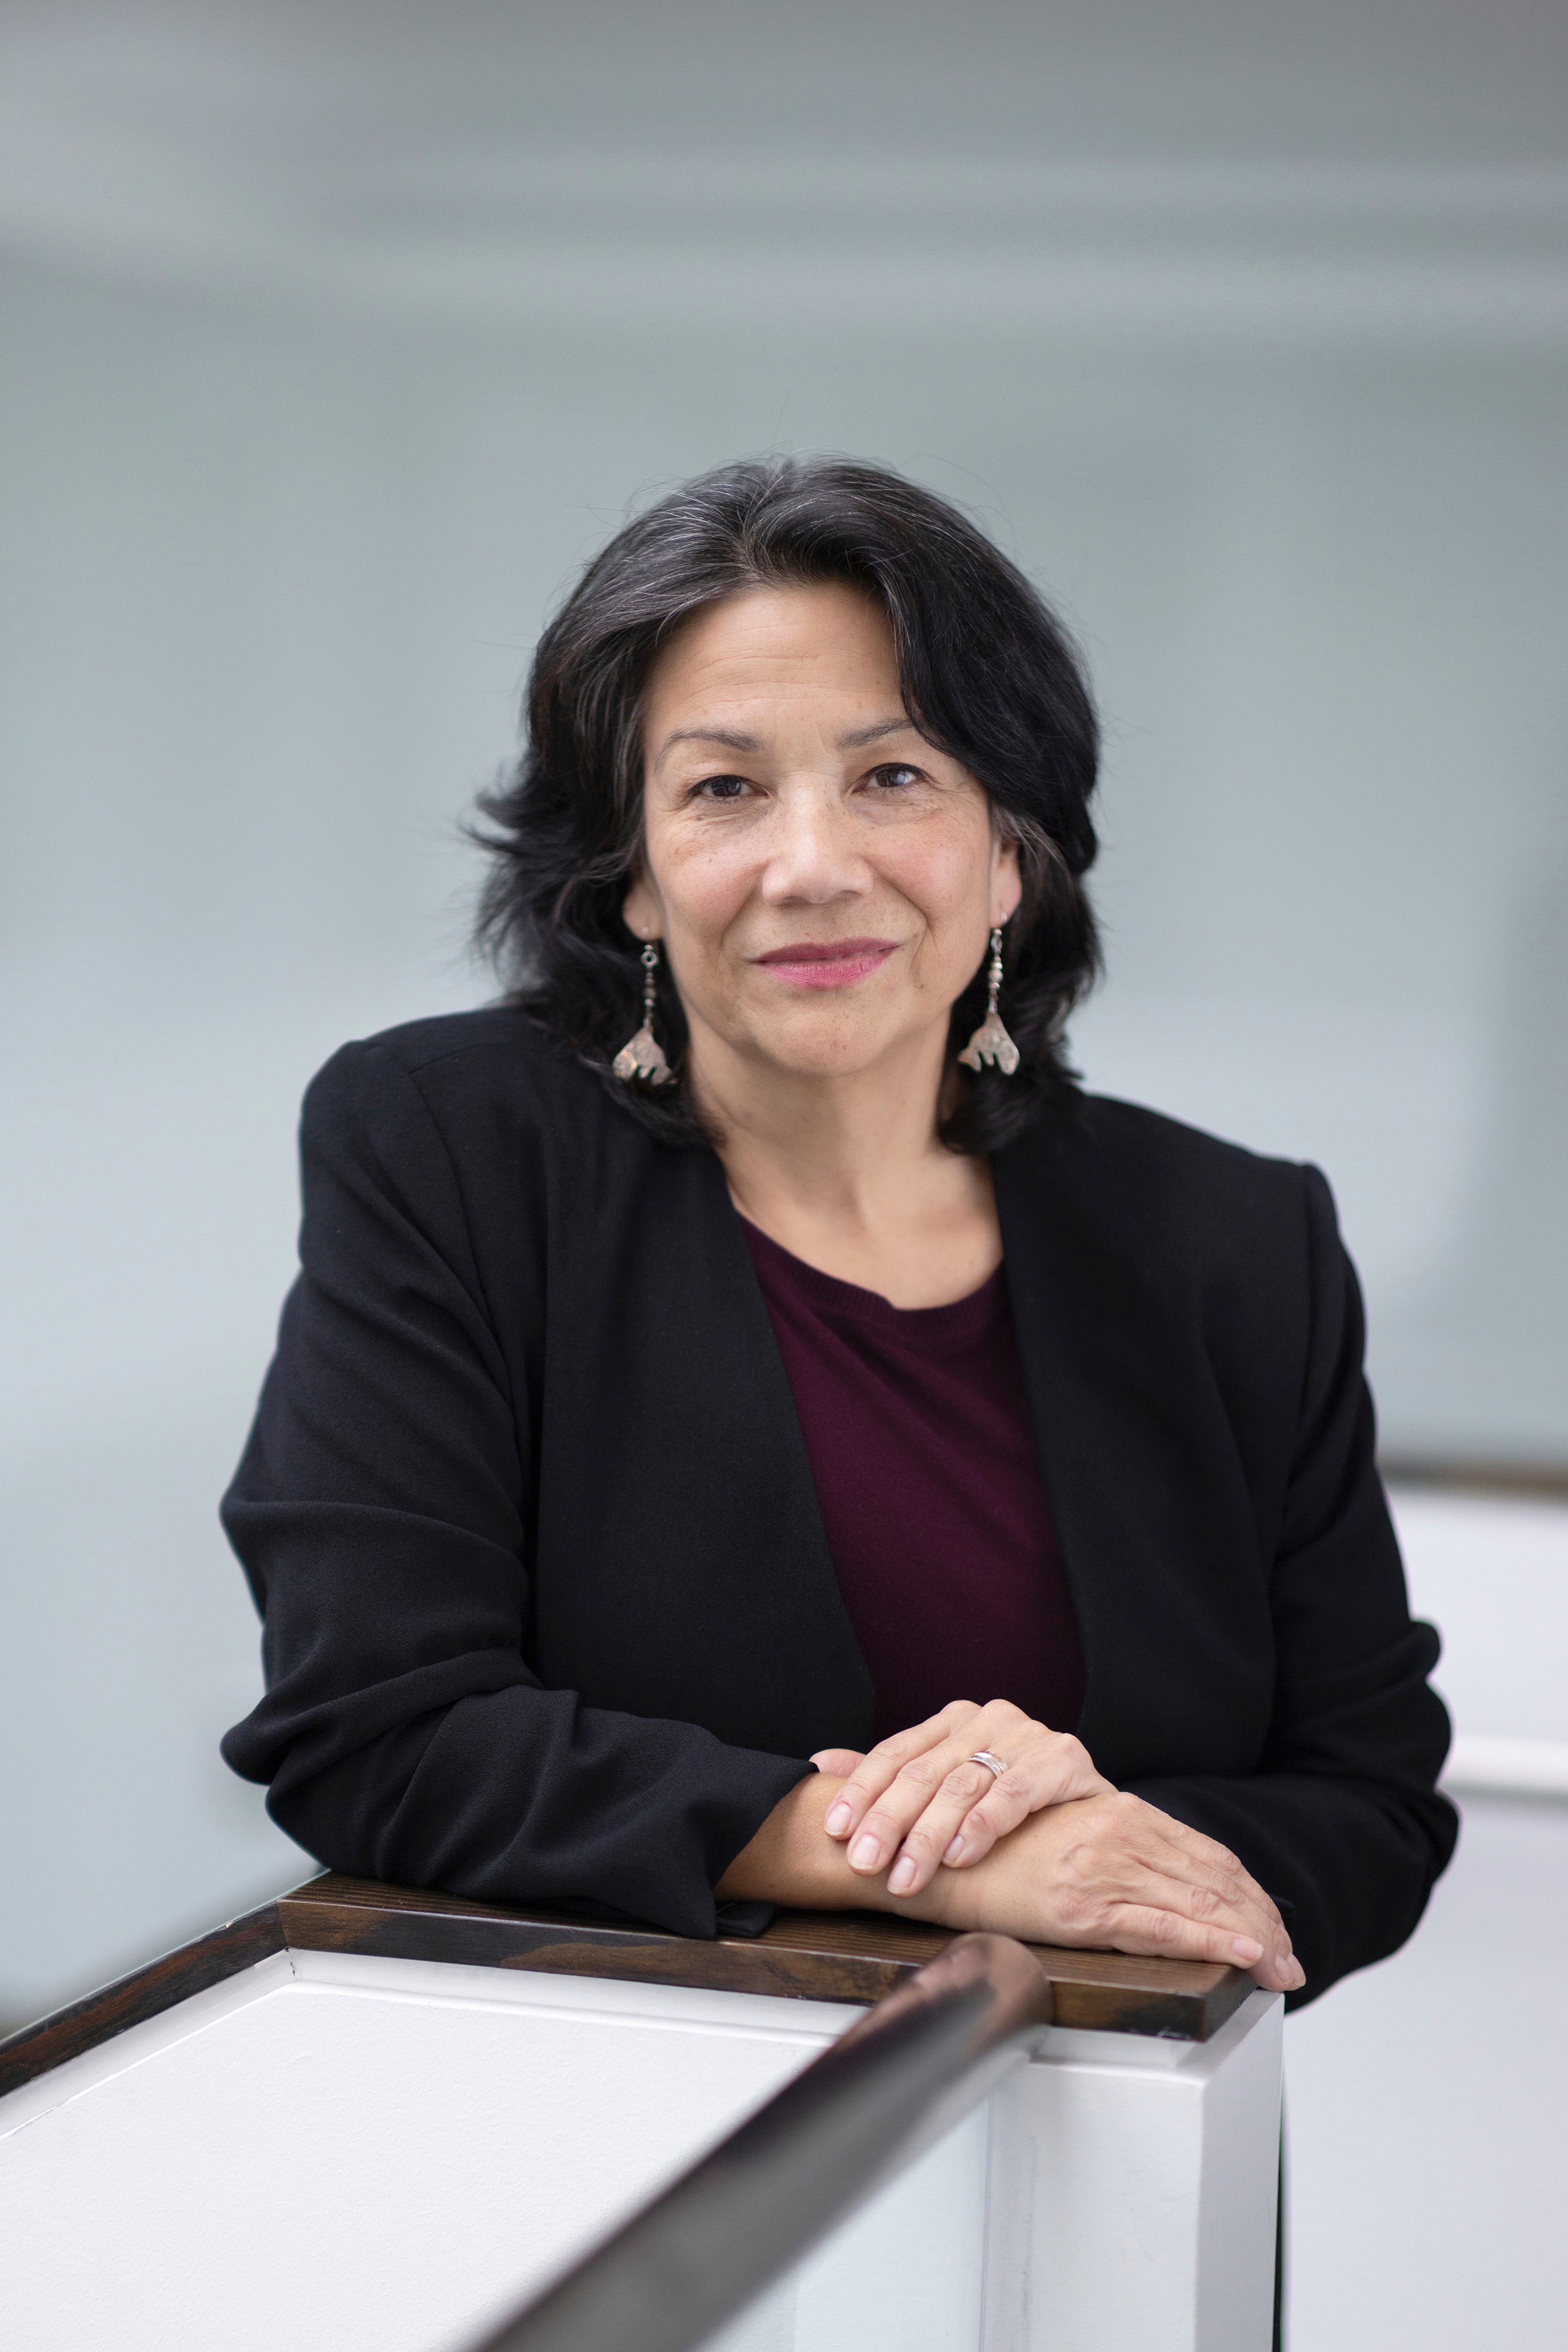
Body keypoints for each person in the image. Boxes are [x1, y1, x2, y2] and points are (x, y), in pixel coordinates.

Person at [221, 457, 1456, 2010]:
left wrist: (1090, 1835)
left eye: (893, 777)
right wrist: (928, 1852)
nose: (813, 866)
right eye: (724, 788)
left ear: (1010, 850)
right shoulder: (450, 1144)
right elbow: (376, 1728)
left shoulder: (1232, 1237)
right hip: (614, 2147)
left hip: (1127, 2170)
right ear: (632, 882)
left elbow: (1370, 1808)